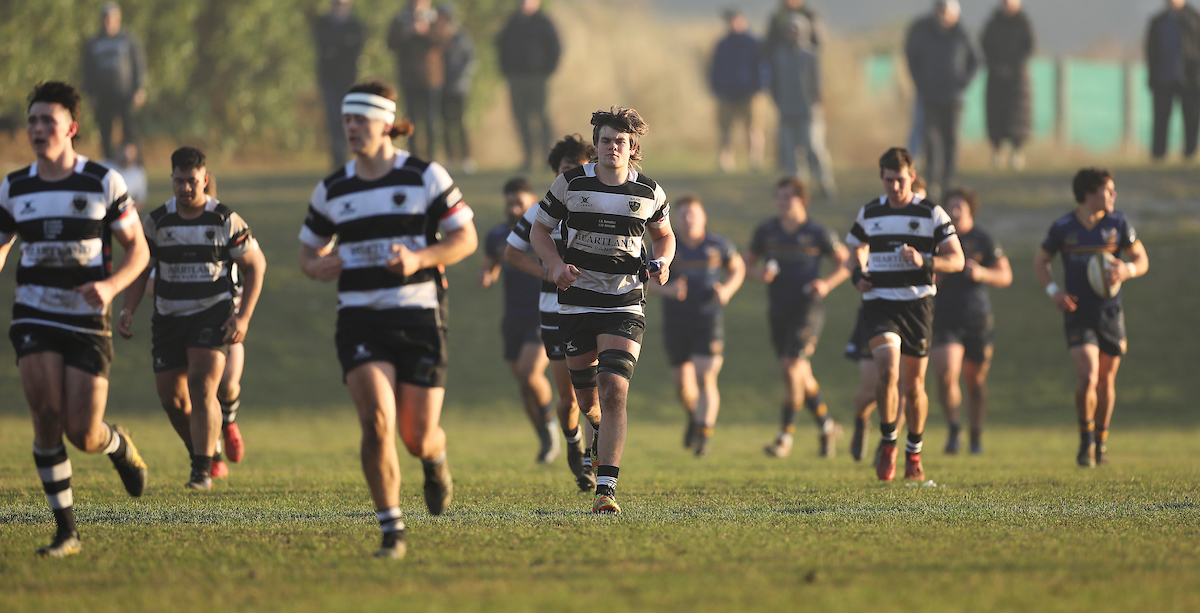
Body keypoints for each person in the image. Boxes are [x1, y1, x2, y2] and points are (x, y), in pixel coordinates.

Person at [298, 81, 477, 558]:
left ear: (386, 123)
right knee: (377, 421)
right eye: (346, 121)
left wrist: (420, 259)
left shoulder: (425, 176)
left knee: (416, 435)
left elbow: (465, 239)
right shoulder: (333, 188)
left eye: (360, 120)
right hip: (359, 318)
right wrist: (317, 265)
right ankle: (392, 530)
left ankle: (434, 459)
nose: (352, 129)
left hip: (418, 315)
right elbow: (307, 250)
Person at [0, 81, 151, 557]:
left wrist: (109, 287)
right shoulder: (13, 187)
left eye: (49, 121)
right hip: (34, 314)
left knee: (82, 432)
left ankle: (117, 444)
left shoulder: (103, 181)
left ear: (72, 127)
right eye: (33, 121)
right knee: (45, 417)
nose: (39, 129)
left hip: (86, 319)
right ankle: (66, 532)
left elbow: (139, 251)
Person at [530, 107, 674, 515]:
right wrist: (555, 266)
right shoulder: (571, 183)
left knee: (614, 388)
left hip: (625, 299)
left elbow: (665, 236)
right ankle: (595, 430)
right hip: (577, 300)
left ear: (633, 149)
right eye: (606, 141)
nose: (612, 148)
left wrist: (663, 262)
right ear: (596, 145)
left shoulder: (648, 192)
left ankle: (606, 489)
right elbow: (539, 230)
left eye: (620, 143)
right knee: (587, 399)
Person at [117, 147, 266, 490]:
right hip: (169, 318)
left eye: (193, 181)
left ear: (205, 179)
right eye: (179, 181)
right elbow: (140, 270)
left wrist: (242, 317)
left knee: (202, 385)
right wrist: (127, 309)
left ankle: (200, 471)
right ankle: (206, 452)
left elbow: (256, 266)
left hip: (212, 314)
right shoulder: (156, 222)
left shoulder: (225, 219)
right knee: (171, 399)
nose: (186, 188)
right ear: (171, 179)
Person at [845, 147, 964, 482]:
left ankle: (914, 450)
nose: (894, 187)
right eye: (888, 181)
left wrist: (925, 262)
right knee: (887, 372)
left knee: (914, 387)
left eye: (900, 180)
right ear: (881, 178)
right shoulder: (870, 212)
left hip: (918, 304)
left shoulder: (931, 213)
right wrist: (858, 275)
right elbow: (853, 246)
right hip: (880, 301)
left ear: (912, 176)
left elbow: (957, 260)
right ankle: (888, 443)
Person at [504, 135, 602, 492]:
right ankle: (574, 444)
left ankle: (595, 458)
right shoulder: (541, 210)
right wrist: (547, 271)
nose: (571, 176)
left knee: (598, 392)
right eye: (564, 170)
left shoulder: (604, 205)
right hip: (555, 313)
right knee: (569, 398)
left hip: (597, 307)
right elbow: (512, 253)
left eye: (578, 168)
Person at [1034, 169, 1148, 467]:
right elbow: (1041, 261)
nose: (1113, 195)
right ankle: (1085, 442)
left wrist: (1127, 270)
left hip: (1110, 313)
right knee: (1088, 375)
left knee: (1106, 380)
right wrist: (1054, 291)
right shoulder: (1063, 227)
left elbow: (1141, 259)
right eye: (1108, 190)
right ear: (1089, 194)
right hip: (1078, 313)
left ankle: (1101, 443)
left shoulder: (1118, 223)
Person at [749, 177, 849, 459]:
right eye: (778, 197)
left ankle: (785, 437)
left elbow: (847, 262)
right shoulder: (766, 232)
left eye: (787, 198)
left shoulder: (818, 233)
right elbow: (745, 264)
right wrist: (759, 274)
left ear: (802, 201)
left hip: (808, 309)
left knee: (793, 366)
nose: (781, 203)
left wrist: (826, 284)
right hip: (778, 310)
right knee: (799, 373)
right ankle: (827, 425)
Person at [649, 195, 744, 457]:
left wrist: (726, 289)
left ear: (703, 217)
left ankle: (704, 434)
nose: (688, 219)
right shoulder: (666, 246)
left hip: (708, 320)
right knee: (683, 387)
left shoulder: (717, 245)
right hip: (676, 322)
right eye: (683, 215)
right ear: (675, 220)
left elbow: (738, 268)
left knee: (705, 377)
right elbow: (640, 279)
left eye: (693, 214)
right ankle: (693, 416)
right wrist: (667, 291)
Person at [844, 176, 925, 462]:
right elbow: (855, 251)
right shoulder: (879, 219)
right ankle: (860, 419)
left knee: (906, 386)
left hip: (913, 313)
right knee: (875, 384)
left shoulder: (929, 226)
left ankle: (887, 443)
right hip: (878, 311)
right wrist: (859, 272)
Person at [480, 177, 559, 463]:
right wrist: (487, 275)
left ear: (531, 202)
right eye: (510, 202)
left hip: (542, 312)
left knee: (530, 372)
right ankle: (544, 438)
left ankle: (551, 424)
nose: (514, 208)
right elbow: (491, 262)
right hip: (512, 316)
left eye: (520, 203)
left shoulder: (542, 231)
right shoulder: (497, 234)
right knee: (523, 383)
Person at [931, 188, 1011, 455]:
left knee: (975, 382)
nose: (953, 213)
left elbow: (1005, 276)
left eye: (959, 209)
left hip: (976, 318)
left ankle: (975, 436)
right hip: (944, 318)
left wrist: (982, 273)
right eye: (950, 208)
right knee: (945, 374)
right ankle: (954, 428)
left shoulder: (983, 239)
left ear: (969, 212)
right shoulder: (937, 239)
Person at [905, 0, 978, 199]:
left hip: (953, 98)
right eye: (940, 11)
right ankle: (932, 180)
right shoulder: (924, 33)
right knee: (931, 140)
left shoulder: (962, 34)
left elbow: (975, 60)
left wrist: (962, 82)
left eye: (946, 12)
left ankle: (948, 180)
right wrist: (921, 83)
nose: (943, 16)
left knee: (951, 140)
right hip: (930, 97)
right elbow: (913, 58)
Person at [765, 1, 837, 199]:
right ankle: (797, 191)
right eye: (789, 30)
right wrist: (778, 102)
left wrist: (816, 106)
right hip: (786, 112)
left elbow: (818, 85)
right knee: (791, 156)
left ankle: (825, 184)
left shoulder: (811, 55)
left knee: (815, 149)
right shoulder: (778, 55)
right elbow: (773, 83)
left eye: (797, 29)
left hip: (809, 112)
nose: (793, 33)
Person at [495, 0, 561, 170]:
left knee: (541, 117)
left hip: (537, 78)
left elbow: (556, 47)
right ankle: (528, 159)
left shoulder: (543, 22)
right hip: (516, 78)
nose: (524, 3)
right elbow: (500, 46)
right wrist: (506, 70)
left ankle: (549, 158)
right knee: (521, 118)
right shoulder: (512, 22)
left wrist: (548, 70)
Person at [81, 2, 147, 161]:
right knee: (105, 131)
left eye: (112, 18)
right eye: (105, 18)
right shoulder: (93, 43)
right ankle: (109, 163)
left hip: (125, 94)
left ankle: (136, 164)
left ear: (118, 18)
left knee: (130, 130)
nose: (108, 21)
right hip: (102, 95)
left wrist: (139, 88)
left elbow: (138, 63)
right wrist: (90, 93)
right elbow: (86, 70)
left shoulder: (128, 39)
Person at [387, 0, 449, 160]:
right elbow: (391, 43)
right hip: (408, 79)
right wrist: (405, 33)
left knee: (430, 119)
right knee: (411, 120)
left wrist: (425, 31)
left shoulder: (435, 19)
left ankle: (431, 156)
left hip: (431, 79)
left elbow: (444, 41)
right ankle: (413, 156)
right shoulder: (400, 20)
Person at [312, 0, 366, 169]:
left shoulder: (356, 24)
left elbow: (356, 47)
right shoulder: (322, 23)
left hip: (348, 79)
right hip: (328, 78)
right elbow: (323, 45)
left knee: (348, 118)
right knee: (333, 117)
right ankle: (337, 158)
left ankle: (349, 154)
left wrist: (337, 45)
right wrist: (342, 43)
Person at [981, 0, 1034, 170]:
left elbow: (1029, 47)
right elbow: (985, 46)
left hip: (1018, 80)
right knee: (996, 114)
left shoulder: (1024, 24)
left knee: (1018, 115)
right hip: (996, 77)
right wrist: (996, 66)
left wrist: (1014, 67)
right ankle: (997, 152)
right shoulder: (992, 24)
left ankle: (1017, 153)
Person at [710, 9, 765, 173]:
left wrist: (759, 86)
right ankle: (725, 161)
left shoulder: (753, 43)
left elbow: (763, 67)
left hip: (750, 93)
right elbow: (714, 68)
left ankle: (755, 161)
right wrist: (716, 87)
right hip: (726, 93)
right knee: (725, 129)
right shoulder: (722, 44)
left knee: (753, 127)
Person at [1146, 0, 1200, 160]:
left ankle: (1189, 154)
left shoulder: (1194, 19)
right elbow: (1151, 50)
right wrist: (1152, 76)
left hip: (1190, 79)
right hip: (1163, 78)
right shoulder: (1158, 21)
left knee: (1191, 118)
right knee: (1161, 118)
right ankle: (1158, 155)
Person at [437, 3, 476, 173]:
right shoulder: (436, 37)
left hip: (459, 87)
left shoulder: (461, 36)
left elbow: (469, 59)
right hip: (441, 87)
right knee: (445, 123)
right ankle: (451, 158)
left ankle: (466, 158)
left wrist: (460, 77)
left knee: (460, 123)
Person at [102, 142, 147, 209]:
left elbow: (140, 199)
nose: (126, 156)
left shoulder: (138, 172)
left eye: (130, 153)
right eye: (123, 152)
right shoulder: (104, 166)